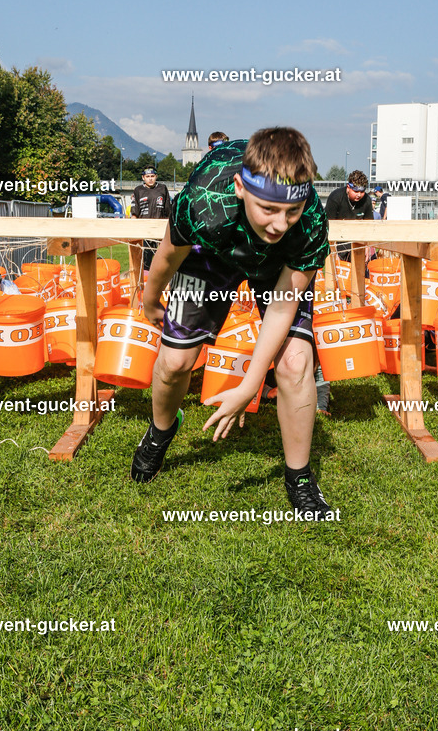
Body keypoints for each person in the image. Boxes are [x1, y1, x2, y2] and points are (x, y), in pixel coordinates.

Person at [130, 127, 333, 519]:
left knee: (294, 364)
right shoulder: (204, 199)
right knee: (174, 363)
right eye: (269, 209)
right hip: (212, 253)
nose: (279, 224)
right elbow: (169, 255)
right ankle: (160, 432)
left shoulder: (308, 221)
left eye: (291, 211)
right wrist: (150, 299)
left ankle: (300, 477)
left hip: (276, 267)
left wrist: (251, 383)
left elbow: (282, 305)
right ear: (240, 187)